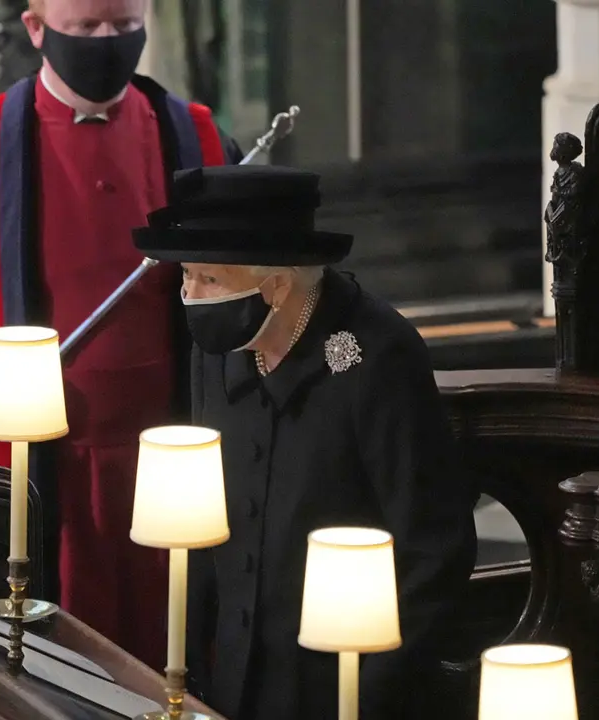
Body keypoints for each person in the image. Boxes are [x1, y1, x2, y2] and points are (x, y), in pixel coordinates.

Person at [0, 0, 243, 670]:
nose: (106, 42)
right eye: (86, 28)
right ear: (36, 28)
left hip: (170, 454)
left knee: (169, 657)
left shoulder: (198, 139)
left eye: (123, 27)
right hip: (38, 464)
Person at [132, 165, 479, 719]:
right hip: (231, 683)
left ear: (275, 284)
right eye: (186, 276)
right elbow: (201, 516)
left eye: (209, 279)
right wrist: (189, 666)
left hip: (341, 689)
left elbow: (434, 549)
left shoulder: (379, 355)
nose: (190, 296)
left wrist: (364, 696)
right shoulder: (216, 349)